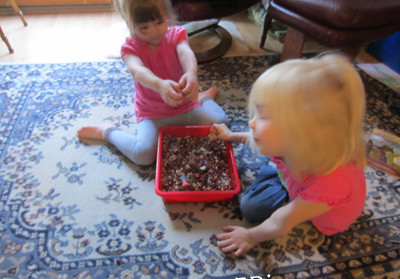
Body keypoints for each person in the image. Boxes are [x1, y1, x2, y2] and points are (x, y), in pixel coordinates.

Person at [213, 54, 367, 256]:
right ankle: (286, 182)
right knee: (264, 166)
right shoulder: (302, 144)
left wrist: (250, 236)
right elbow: (256, 136)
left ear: (301, 133)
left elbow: (280, 223)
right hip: (297, 179)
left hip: (317, 208)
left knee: (250, 209)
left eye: (264, 116)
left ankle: (289, 191)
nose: (251, 122)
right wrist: (231, 136)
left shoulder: (332, 182)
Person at [77, 0, 228, 165]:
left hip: (185, 106)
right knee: (142, 154)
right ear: (130, 24)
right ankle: (107, 131)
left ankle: (204, 98)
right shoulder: (130, 48)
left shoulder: (176, 35)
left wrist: (191, 74)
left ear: (167, 15)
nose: (154, 31)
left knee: (223, 124)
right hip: (152, 114)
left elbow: (186, 53)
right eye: (144, 28)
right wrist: (159, 85)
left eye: (159, 22)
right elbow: (138, 71)